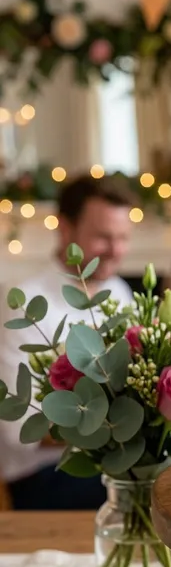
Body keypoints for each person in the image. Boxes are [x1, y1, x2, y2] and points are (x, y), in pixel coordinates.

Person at [0, 175, 136, 509]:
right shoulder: (25, 302)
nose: (116, 251)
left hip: (116, 459)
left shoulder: (119, 290)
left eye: (123, 238)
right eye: (103, 237)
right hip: (46, 475)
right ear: (65, 229)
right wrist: (116, 426)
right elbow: (18, 430)